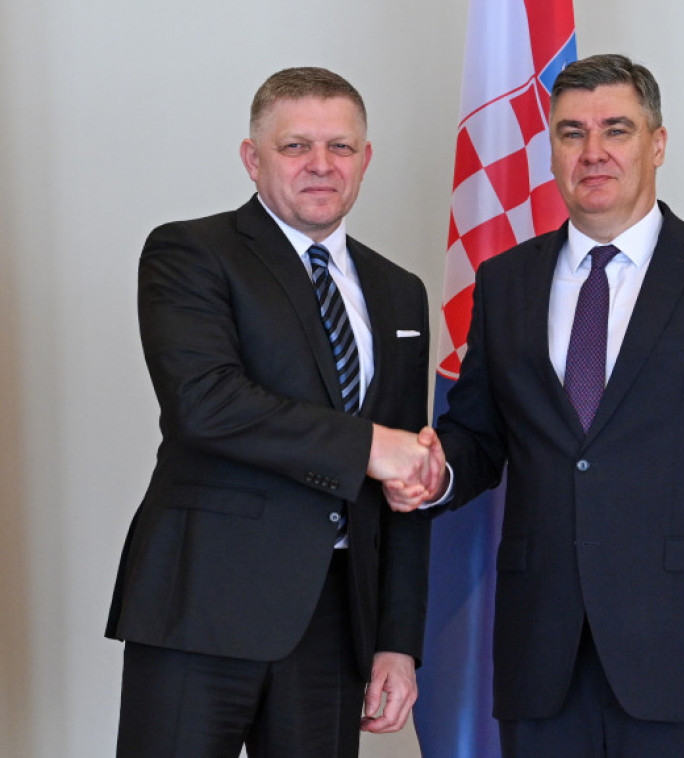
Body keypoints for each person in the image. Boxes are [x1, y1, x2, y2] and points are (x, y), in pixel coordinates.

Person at [388, 54, 684, 757]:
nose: (593, 151)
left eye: (616, 129)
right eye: (571, 133)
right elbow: (478, 436)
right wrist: (434, 474)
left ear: (657, 143)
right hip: (542, 658)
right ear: (551, 149)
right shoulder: (505, 282)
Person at [106, 66, 444, 758]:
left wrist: (397, 642)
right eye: (296, 146)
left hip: (334, 623)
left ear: (365, 159)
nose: (321, 164)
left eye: (340, 146)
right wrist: (370, 447)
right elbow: (206, 403)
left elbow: (403, 483)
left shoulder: (399, 290)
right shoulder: (190, 252)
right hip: (201, 605)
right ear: (252, 158)